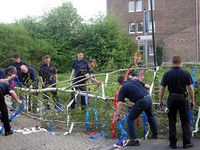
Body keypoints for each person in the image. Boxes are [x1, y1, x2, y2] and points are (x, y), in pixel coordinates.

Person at [159, 56, 195, 149]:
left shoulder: (167, 74)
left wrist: (160, 100)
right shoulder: (185, 73)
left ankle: (172, 143)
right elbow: (190, 88)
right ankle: (186, 143)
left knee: (172, 121)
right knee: (185, 121)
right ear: (180, 62)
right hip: (182, 98)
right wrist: (192, 100)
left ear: (172, 63)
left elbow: (162, 88)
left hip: (171, 98)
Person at [116, 75, 158, 146]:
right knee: (150, 116)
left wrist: (118, 115)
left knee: (130, 119)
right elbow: (148, 87)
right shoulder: (135, 80)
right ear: (125, 79)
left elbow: (120, 103)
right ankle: (155, 134)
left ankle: (133, 140)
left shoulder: (123, 88)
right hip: (148, 98)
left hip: (141, 101)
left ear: (120, 83)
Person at [0, 68, 22, 136]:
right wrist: (18, 101)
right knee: (4, 112)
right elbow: (12, 92)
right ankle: (8, 131)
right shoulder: (8, 83)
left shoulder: (4, 81)